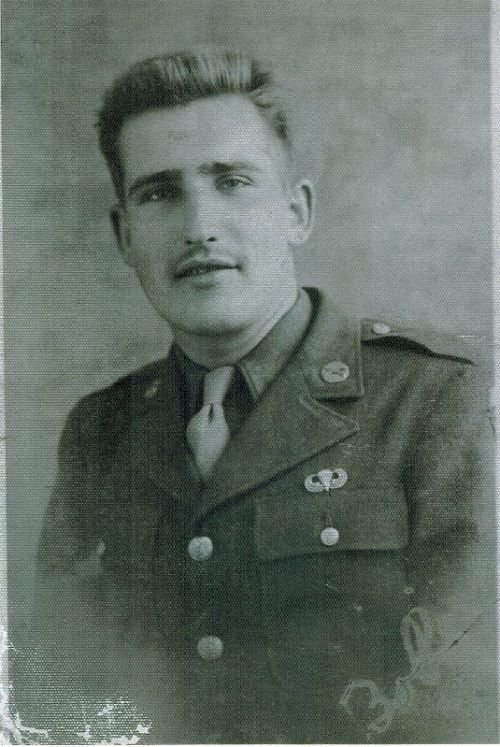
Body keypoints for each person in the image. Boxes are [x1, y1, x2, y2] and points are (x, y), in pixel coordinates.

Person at [19, 49, 496, 743]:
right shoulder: (100, 431)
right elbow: (59, 697)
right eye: (159, 193)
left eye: (232, 182)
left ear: (296, 211)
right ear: (124, 235)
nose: (199, 226)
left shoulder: (435, 397)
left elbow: (471, 700)